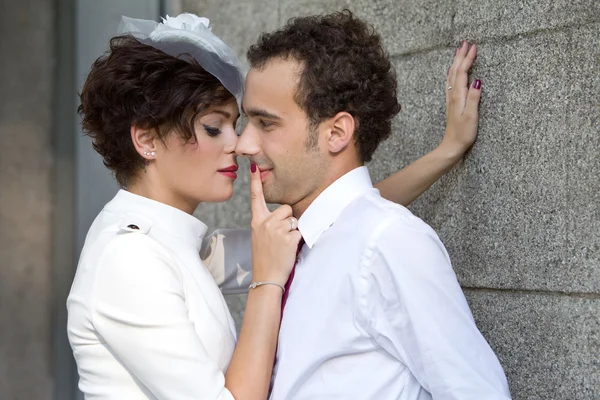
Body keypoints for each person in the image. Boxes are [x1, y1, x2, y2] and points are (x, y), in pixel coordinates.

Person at [67, 12, 483, 400]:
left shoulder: (180, 248)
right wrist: (266, 283)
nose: (238, 144)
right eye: (215, 128)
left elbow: (342, 216)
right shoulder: (127, 257)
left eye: (244, 124)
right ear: (146, 141)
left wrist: (445, 153)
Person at [234, 10, 511, 400]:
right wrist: (447, 151)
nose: (241, 144)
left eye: (265, 123)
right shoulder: (292, 241)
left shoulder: (391, 243)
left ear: (336, 133)